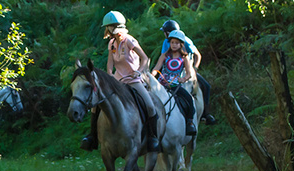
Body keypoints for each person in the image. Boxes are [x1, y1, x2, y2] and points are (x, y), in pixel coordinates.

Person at [80, 11, 160, 152]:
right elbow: (110, 65)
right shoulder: (112, 44)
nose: (110, 30)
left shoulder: (130, 40)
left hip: (133, 79)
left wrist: (139, 71)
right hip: (118, 81)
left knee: (150, 106)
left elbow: (145, 58)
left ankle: (153, 137)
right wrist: (109, 76)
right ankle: (92, 136)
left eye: (111, 27)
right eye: (109, 27)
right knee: (96, 106)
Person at [159, 20, 217, 125]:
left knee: (206, 86)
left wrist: (194, 68)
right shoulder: (166, 42)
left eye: (164, 32)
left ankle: (206, 114)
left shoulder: (186, 41)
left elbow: (197, 55)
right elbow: (163, 56)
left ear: (168, 32)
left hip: (186, 70)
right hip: (170, 71)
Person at [151, 29, 198, 136]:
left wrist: (183, 79)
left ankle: (189, 122)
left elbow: (189, 74)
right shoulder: (164, 55)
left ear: (181, 44)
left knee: (189, 99)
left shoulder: (184, 57)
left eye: (176, 43)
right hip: (161, 84)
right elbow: (156, 68)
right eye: (172, 42)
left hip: (175, 85)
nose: (174, 45)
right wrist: (151, 76)